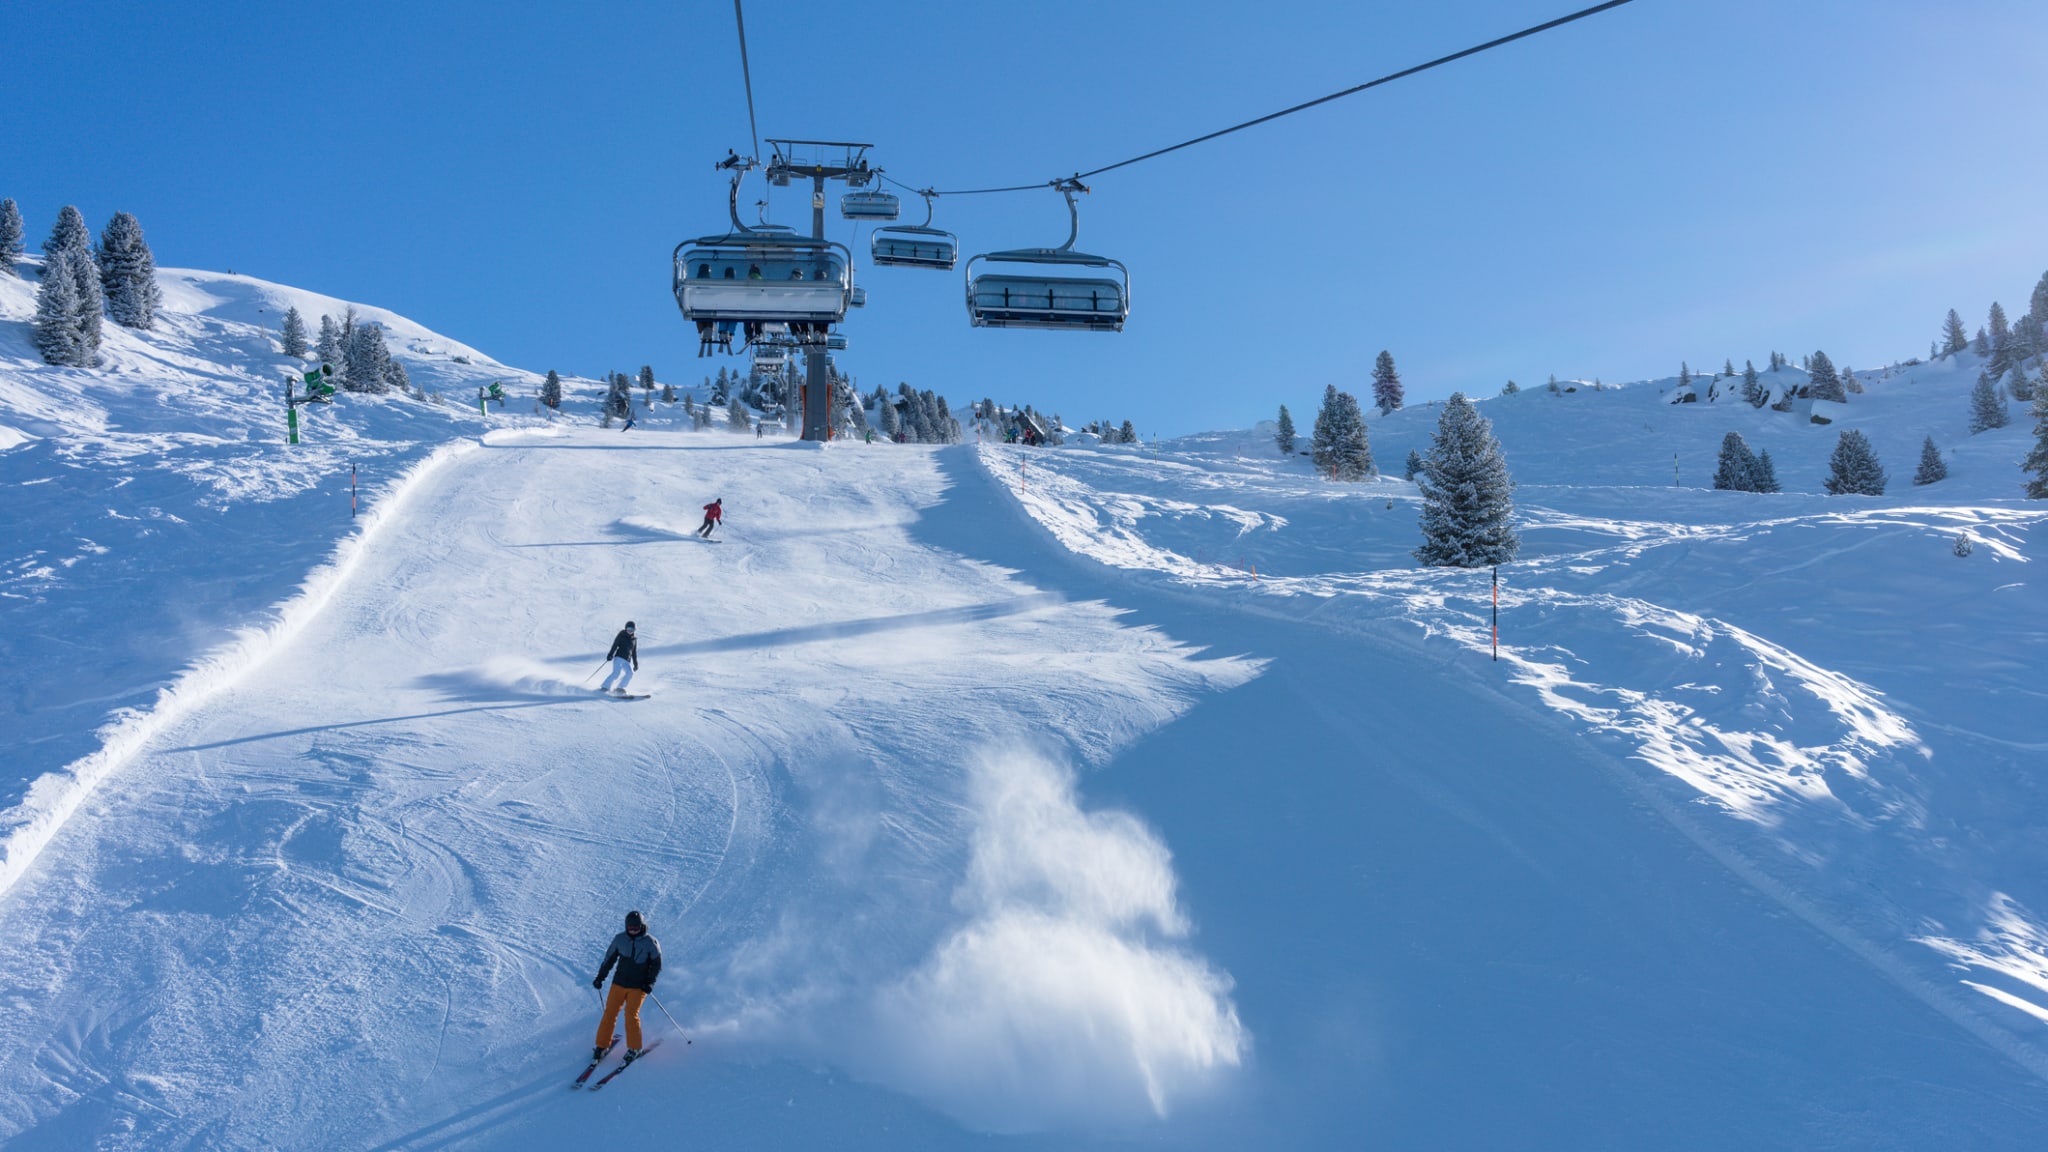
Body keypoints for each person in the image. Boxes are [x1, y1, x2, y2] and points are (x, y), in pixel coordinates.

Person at [591, 910, 663, 1060]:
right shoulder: (620, 939)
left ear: (642, 926)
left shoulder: (650, 942)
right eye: (630, 927)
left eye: (636, 927)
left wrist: (650, 983)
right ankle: (601, 1046)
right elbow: (609, 959)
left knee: (631, 1015)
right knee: (609, 1013)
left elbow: (656, 965)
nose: (633, 930)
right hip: (619, 983)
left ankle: (634, 1048)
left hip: (638, 986)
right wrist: (600, 978)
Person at [600, 621, 637, 694]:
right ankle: (605, 687)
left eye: (632, 629)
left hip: (626, 660)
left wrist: (636, 664)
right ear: (626, 628)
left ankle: (619, 688)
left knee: (629, 673)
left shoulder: (634, 640)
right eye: (629, 629)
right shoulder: (621, 635)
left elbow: (634, 652)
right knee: (616, 673)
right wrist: (610, 654)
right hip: (619, 657)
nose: (630, 631)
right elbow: (615, 645)